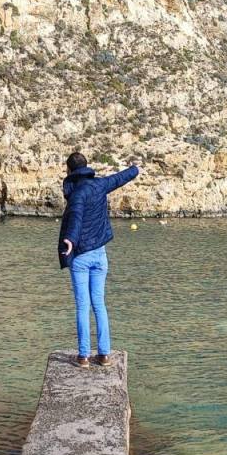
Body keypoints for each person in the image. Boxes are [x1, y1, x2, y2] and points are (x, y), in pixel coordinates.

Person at [57, 151, 140, 368]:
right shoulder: (100, 185)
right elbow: (120, 178)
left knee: (83, 306)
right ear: (86, 167)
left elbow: (75, 216)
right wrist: (135, 169)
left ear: (70, 170)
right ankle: (104, 355)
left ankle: (84, 356)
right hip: (100, 255)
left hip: (81, 257)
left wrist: (70, 240)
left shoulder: (77, 193)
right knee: (99, 304)